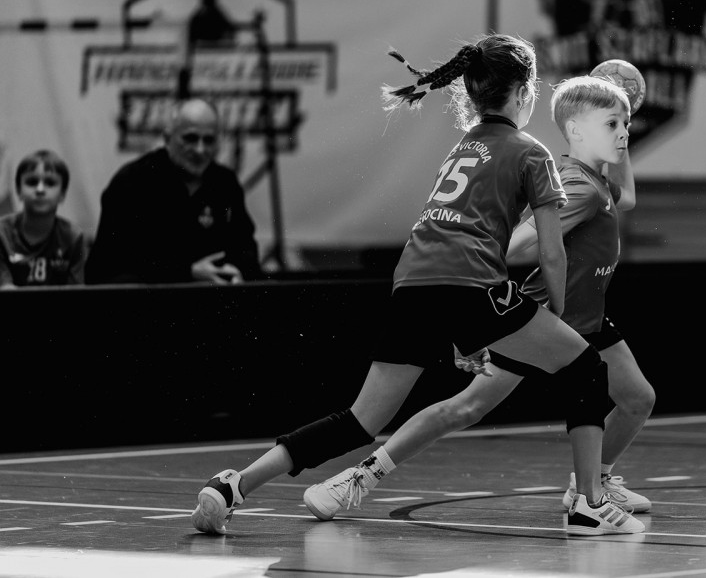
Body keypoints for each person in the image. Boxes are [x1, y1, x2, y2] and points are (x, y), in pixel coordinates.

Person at [191, 33, 644, 537]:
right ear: (524, 93)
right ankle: (589, 504)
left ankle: (234, 485)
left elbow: (446, 239)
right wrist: (553, 318)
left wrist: (465, 333)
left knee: (358, 420)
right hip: (471, 284)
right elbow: (551, 252)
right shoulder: (531, 152)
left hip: (411, 283)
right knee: (585, 367)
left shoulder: (460, 149)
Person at [297, 75, 654, 520]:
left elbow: (629, 197)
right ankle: (357, 477)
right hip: (545, 317)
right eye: (613, 124)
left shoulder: (598, 183)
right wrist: (476, 296)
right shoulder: (578, 188)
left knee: (637, 399)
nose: (624, 133)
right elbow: (520, 241)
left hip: (590, 319)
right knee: (464, 408)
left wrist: (620, 124)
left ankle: (595, 481)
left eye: (627, 124)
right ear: (576, 130)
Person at [84, 97, 262, 285]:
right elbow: (108, 266)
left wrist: (238, 271)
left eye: (209, 140)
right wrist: (187, 272)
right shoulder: (133, 182)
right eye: (190, 139)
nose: (200, 150)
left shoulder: (225, 183)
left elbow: (245, 249)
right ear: (168, 138)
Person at [0, 149, 88, 289]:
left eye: (50, 183)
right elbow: (6, 293)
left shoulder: (73, 237)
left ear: (62, 194)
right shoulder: (2, 233)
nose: (40, 189)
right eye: (32, 182)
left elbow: (75, 294)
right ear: (18, 190)